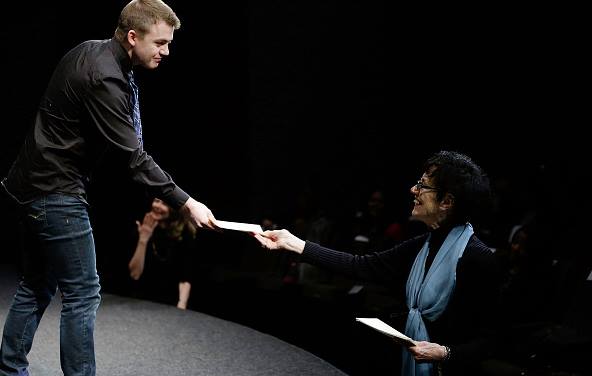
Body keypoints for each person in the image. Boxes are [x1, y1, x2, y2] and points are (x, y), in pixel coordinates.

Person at [0, 1, 218, 375]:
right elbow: (133, 158)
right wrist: (186, 202)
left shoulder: (91, 50)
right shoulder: (106, 78)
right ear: (133, 37)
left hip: (30, 186)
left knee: (36, 285)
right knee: (83, 293)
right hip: (55, 193)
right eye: (161, 43)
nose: (166, 51)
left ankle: (9, 370)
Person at [254, 150, 502, 376]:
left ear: (446, 202)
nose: (413, 190)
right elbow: (360, 265)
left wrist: (445, 353)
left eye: (422, 185)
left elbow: (492, 340)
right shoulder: (422, 245)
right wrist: (293, 243)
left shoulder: (477, 259)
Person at [128, 198, 197, 309]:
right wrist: (143, 240)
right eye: (156, 201)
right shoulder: (143, 226)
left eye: (164, 203)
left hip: (169, 302)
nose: (157, 206)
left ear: (174, 209)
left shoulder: (185, 234)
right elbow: (135, 274)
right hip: (139, 299)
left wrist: (182, 304)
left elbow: (185, 275)